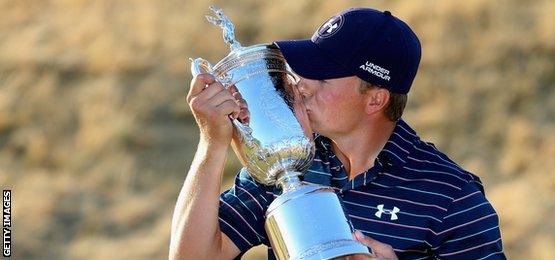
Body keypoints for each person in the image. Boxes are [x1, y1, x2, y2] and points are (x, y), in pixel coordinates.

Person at [170, 7, 506, 260]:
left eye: (323, 76)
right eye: (305, 69)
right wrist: (212, 145)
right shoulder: (288, 158)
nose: (301, 86)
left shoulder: (451, 197)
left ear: (375, 99)